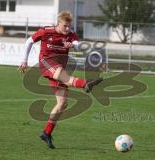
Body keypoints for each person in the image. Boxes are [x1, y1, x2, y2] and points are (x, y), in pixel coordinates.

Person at [18, 11, 103, 149]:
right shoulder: (46, 31)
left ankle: (46, 133)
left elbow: (77, 43)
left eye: (69, 26)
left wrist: (73, 45)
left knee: (62, 104)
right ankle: (85, 84)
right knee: (65, 77)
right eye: (65, 26)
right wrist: (24, 60)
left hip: (60, 67)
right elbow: (29, 41)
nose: (68, 29)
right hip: (47, 62)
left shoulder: (70, 35)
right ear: (58, 24)